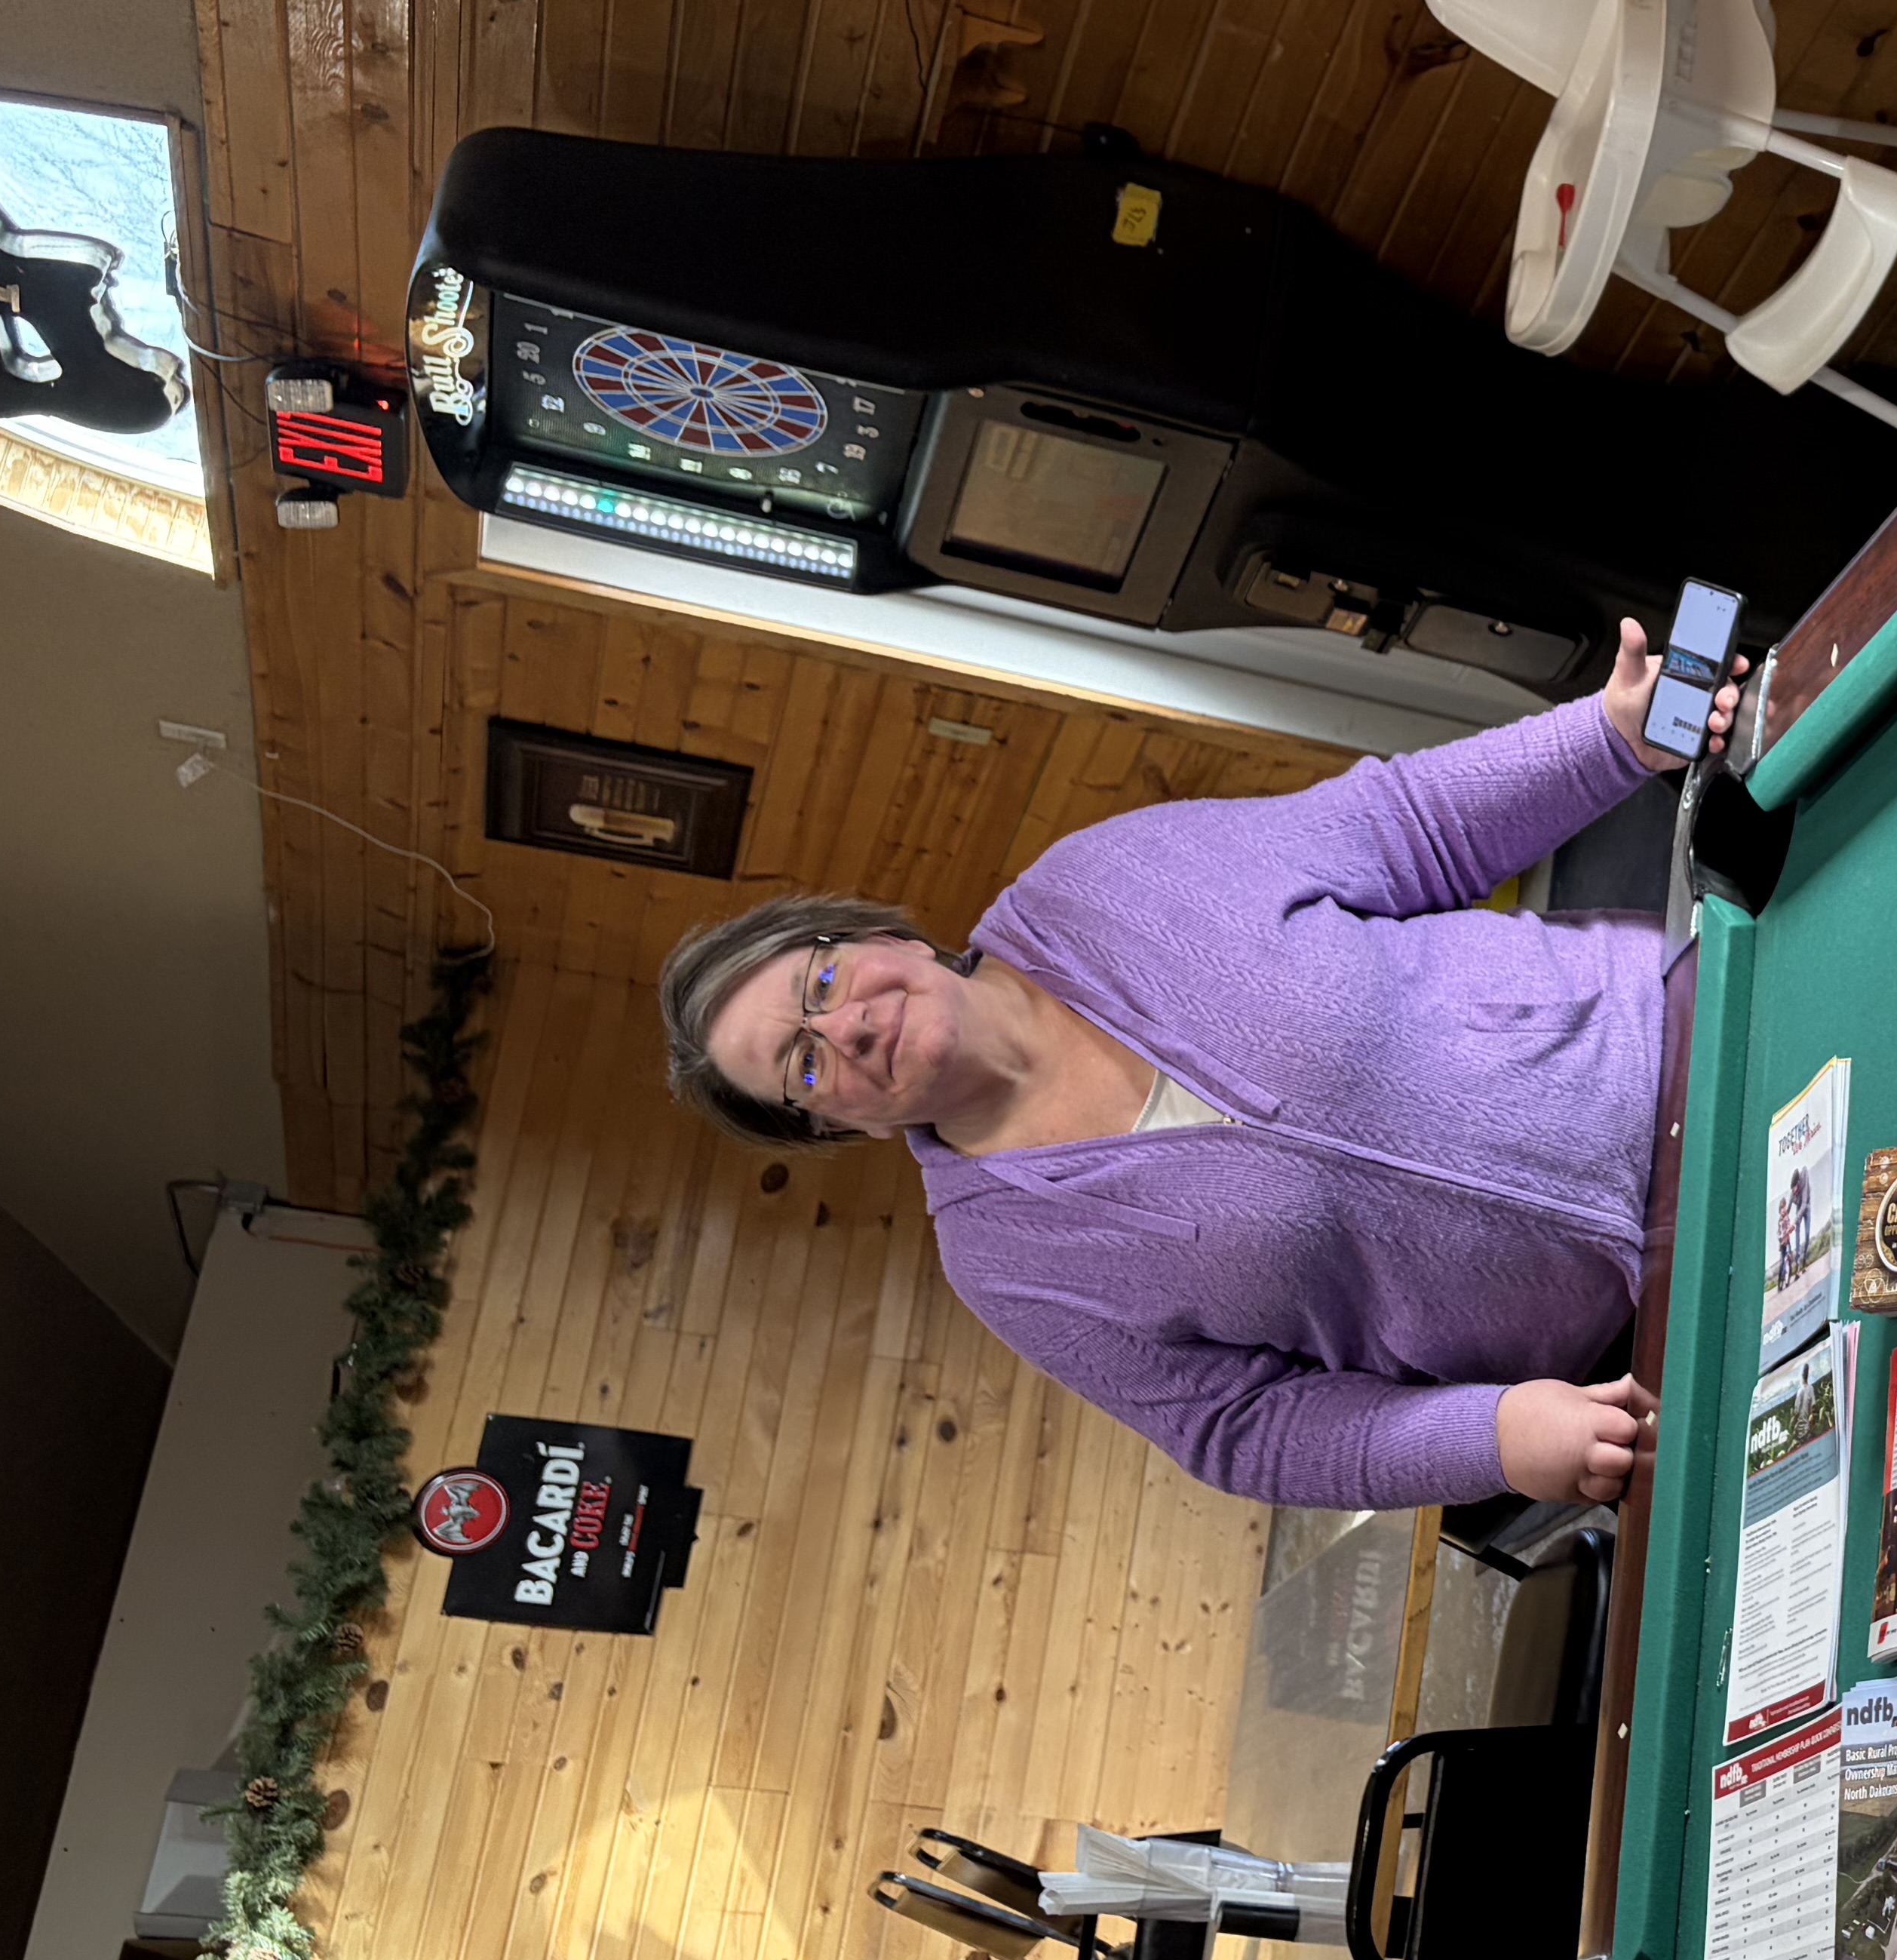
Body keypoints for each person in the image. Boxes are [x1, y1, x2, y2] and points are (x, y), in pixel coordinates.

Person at [659, 619, 1741, 1516]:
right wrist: (1491, 1437)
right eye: (799, 1069)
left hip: (1701, 1033)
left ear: (876, 939)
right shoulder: (1002, 1264)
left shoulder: (1099, 879)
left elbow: (1404, 827)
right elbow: (1243, 1428)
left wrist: (1611, 738)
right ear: (833, 1129)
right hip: (1643, 1332)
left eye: (818, 985)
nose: (840, 1030)